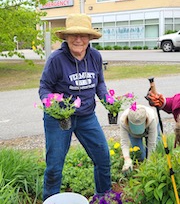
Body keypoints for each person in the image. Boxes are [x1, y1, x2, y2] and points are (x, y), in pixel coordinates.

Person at [38, 13, 111, 201]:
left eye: (83, 35)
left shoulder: (95, 56)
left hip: (87, 117)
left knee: (103, 158)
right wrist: (51, 102)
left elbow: (100, 83)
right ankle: (50, 199)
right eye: (74, 35)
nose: (78, 39)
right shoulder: (57, 59)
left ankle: (104, 196)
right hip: (59, 118)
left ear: (90, 38)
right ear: (67, 37)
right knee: (54, 165)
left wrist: (107, 99)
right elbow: (44, 87)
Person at [119, 103, 159, 174]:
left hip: (150, 128)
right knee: (140, 156)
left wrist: (150, 164)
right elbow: (124, 142)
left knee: (156, 151)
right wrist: (127, 158)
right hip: (133, 135)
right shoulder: (123, 121)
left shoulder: (152, 118)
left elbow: (152, 143)